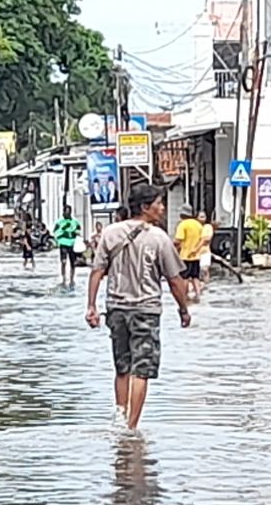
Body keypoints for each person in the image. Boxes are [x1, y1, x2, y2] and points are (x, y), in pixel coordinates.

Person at [86, 184, 192, 432]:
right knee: (141, 370)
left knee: (122, 366)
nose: (163, 208)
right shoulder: (159, 238)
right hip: (146, 310)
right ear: (146, 207)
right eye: (159, 203)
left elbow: (97, 271)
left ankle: (120, 415)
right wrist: (184, 309)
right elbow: (175, 279)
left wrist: (91, 306)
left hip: (115, 308)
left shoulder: (110, 234)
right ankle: (131, 430)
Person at [173, 204, 204, 299]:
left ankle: (184, 295)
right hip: (196, 256)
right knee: (195, 277)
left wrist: (173, 248)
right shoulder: (198, 225)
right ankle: (198, 294)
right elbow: (202, 239)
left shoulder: (182, 225)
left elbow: (178, 240)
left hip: (185, 255)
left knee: (184, 277)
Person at [53, 206, 82, 286]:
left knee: (73, 262)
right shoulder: (59, 221)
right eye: (66, 211)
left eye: (69, 212)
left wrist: (77, 233)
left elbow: (79, 229)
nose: (67, 213)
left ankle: (72, 279)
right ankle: (63, 278)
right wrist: (57, 239)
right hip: (63, 243)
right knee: (64, 261)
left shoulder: (75, 221)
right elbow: (54, 231)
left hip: (72, 244)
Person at [197, 212, 215, 286]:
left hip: (205, 252)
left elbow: (207, 238)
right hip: (195, 253)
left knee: (204, 270)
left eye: (203, 216)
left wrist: (200, 240)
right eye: (200, 217)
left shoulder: (208, 227)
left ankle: (207, 285)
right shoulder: (195, 227)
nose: (202, 218)